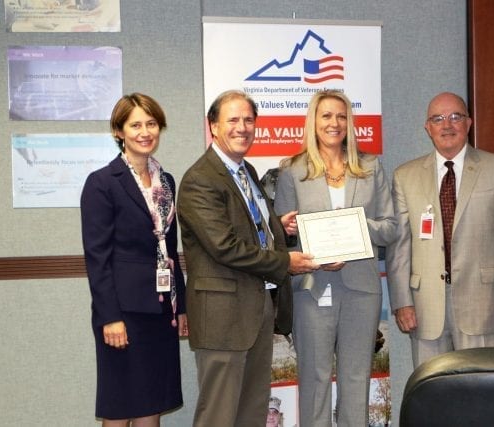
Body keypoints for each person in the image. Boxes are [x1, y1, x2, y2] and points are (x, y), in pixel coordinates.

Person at [177, 89, 319, 427]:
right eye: (233, 120)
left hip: (256, 312)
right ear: (213, 126)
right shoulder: (200, 180)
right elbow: (224, 246)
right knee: (219, 416)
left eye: (249, 120)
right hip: (224, 317)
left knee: (252, 413)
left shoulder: (247, 172)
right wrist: (286, 262)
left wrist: (278, 229)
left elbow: (250, 229)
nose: (243, 127)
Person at [274, 89, 397, 426]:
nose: (334, 123)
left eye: (341, 116)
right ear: (314, 121)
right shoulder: (292, 171)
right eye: (326, 116)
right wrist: (295, 240)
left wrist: (354, 227)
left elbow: (390, 228)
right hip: (313, 288)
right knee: (313, 380)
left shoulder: (370, 167)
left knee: (356, 380)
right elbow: (280, 239)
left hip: (361, 289)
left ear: (350, 122)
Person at [385, 91, 494, 368]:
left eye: (455, 117)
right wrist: (402, 301)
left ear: (469, 123)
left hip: (485, 305)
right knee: (433, 395)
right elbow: (399, 246)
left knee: (486, 390)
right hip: (425, 307)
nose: (447, 125)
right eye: (437, 119)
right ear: (428, 128)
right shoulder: (405, 177)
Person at [80, 93, 187, 426]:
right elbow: (97, 259)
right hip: (123, 313)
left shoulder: (165, 182)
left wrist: (180, 306)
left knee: (151, 400)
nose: (145, 132)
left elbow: (171, 247)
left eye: (151, 124)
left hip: (160, 309)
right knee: (120, 405)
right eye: (136, 124)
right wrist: (110, 317)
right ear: (119, 131)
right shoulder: (101, 183)